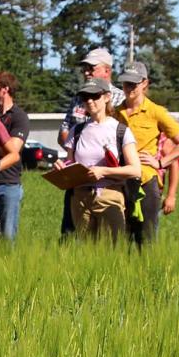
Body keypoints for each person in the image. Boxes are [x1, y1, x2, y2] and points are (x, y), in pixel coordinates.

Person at [115, 61, 179, 244]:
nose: (129, 88)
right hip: (119, 181)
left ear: (144, 83)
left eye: (133, 84)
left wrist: (160, 163)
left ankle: (147, 272)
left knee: (146, 240)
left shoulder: (156, 112)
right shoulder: (115, 112)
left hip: (145, 181)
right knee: (120, 240)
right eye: (126, 83)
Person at [55, 78, 141, 243]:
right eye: (85, 97)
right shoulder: (77, 130)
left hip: (110, 196)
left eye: (95, 96)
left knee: (111, 253)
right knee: (87, 253)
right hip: (80, 198)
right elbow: (70, 163)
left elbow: (135, 170)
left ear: (107, 97)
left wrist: (103, 171)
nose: (89, 101)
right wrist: (62, 168)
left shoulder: (120, 130)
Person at [57, 48, 124, 237]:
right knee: (72, 232)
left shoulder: (121, 99)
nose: (86, 72)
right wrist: (80, 148)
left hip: (108, 181)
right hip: (78, 179)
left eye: (91, 68)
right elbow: (63, 132)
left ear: (107, 71)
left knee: (109, 238)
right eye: (84, 68)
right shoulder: (78, 98)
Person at [0, 71, 30, 240]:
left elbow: (13, 150)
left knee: (7, 236)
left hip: (8, 184)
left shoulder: (20, 117)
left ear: (5, 89)